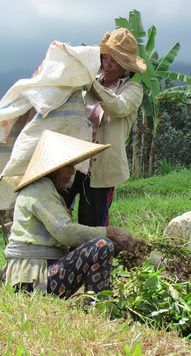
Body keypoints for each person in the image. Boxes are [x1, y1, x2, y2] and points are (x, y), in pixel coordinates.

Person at [2, 130, 131, 297]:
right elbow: (65, 231)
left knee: (97, 247)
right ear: (54, 166)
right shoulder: (40, 189)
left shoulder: (43, 189)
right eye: (68, 166)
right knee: (101, 247)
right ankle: (98, 303)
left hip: (36, 274)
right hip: (33, 280)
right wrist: (108, 232)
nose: (72, 172)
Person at [60, 27, 146, 227]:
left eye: (114, 61)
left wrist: (91, 82)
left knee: (93, 226)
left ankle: (95, 258)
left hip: (103, 170)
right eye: (105, 58)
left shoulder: (132, 90)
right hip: (75, 163)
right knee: (59, 213)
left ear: (125, 67)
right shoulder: (90, 85)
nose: (107, 64)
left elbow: (118, 106)